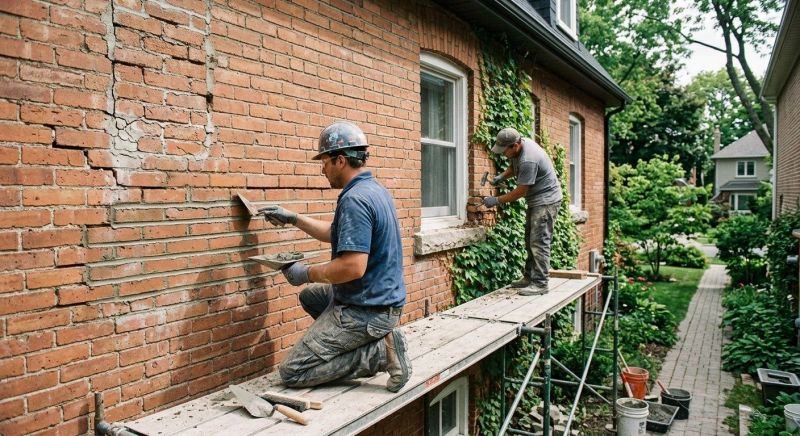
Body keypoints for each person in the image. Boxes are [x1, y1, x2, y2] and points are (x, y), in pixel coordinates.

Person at [260, 121, 411, 393]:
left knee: (293, 372)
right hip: (376, 298)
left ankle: (378, 353)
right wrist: (293, 218)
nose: (322, 169)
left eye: (325, 161)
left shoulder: (355, 199)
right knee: (310, 297)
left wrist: (304, 273)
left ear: (340, 160)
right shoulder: (373, 190)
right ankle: (366, 341)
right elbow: (336, 233)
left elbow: (352, 267)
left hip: (367, 308)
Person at [483, 127, 563, 296]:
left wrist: (497, 200)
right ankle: (529, 278)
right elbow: (514, 166)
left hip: (547, 201)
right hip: (537, 200)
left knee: (539, 241)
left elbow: (521, 191)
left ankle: (540, 283)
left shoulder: (529, 159)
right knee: (529, 239)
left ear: (515, 145)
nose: (504, 154)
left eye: (505, 151)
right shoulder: (519, 150)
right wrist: (503, 176)